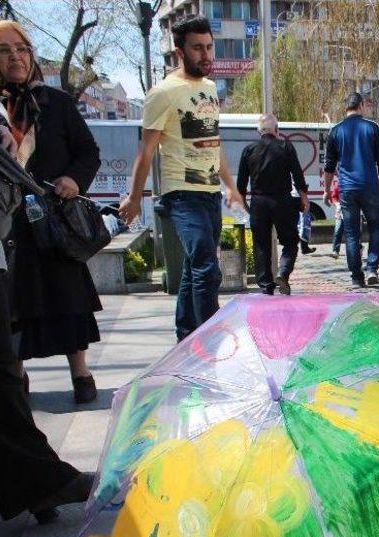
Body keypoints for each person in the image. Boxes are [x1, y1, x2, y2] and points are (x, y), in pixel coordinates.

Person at [0, 20, 102, 405]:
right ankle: (16, 381)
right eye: (4, 51)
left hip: (54, 218)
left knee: (69, 297)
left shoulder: (55, 102)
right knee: (15, 304)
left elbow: (89, 152)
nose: (15, 57)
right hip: (8, 224)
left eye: (21, 49)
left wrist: (74, 179)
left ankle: (82, 374)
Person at [119, 15, 243, 342]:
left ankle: (186, 336)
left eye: (209, 47)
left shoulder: (207, 89)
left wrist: (230, 187)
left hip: (208, 192)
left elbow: (214, 146)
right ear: (179, 52)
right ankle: (212, 341)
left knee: (192, 268)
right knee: (206, 265)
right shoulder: (163, 93)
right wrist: (134, 197)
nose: (206, 55)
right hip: (181, 193)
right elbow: (146, 151)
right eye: (197, 48)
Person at [0, 120, 93, 525]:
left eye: (23, 49)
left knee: (2, 376)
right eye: (6, 50)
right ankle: (40, 480)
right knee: (1, 377)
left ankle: (38, 481)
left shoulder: (46, 107)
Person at [237, 113, 308, 296]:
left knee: (261, 245)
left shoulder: (249, 150)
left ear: (258, 131)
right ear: (277, 130)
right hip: (282, 201)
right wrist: (303, 197)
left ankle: (266, 286)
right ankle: (283, 273)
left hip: (259, 202)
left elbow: (241, 183)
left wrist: (245, 202)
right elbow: (297, 174)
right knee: (291, 240)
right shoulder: (285, 147)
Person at [324, 92, 379, 288]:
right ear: (361, 106)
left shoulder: (335, 131)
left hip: (347, 189)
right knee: (376, 227)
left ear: (347, 107)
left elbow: (329, 165)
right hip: (369, 186)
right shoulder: (372, 128)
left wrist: (327, 190)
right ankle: (371, 268)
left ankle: (356, 276)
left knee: (352, 233)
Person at [329, 177, 344, 258]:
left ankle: (358, 248)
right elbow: (334, 197)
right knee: (337, 230)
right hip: (340, 211)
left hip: (352, 211)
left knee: (353, 233)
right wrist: (337, 204)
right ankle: (335, 250)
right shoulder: (338, 185)